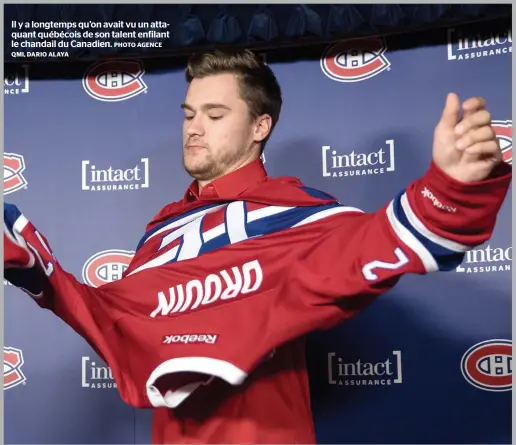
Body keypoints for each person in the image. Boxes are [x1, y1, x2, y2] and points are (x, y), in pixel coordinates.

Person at [3, 48, 511, 445]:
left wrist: (451, 189)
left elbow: (368, 248)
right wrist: (36, 270)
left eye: (216, 114)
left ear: (260, 126)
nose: (194, 128)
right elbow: (118, 322)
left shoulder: (295, 210)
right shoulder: (161, 229)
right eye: (188, 114)